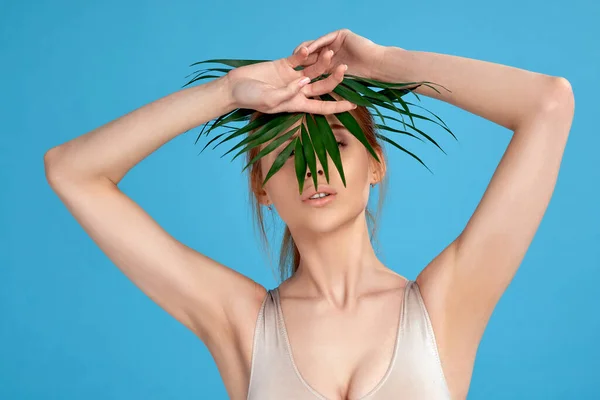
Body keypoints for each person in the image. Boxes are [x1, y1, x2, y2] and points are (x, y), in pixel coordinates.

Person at [44, 28, 574, 400]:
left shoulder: (444, 307)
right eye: (288, 154)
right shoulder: (242, 322)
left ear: (375, 165)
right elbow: (72, 171)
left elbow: (548, 104)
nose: (314, 168)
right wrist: (227, 92)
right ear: (262, 188)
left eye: (337, 142)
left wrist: (384, 64)